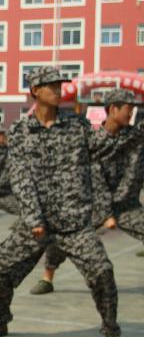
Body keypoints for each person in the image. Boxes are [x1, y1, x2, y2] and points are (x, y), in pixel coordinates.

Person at [0, 66, 132, 337]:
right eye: (51, 85)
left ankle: (112, 332)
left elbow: (100, 148)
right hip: (36, 223)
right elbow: (21, 178)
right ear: (35, 90)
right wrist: (35, 219)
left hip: (74, 222)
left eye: (60, 85)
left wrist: (113, 125)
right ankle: (0, 319)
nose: (58, 90)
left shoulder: (77, 125)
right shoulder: (20, 131)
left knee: (103, 272)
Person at [30, 88, 144, 295]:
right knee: (61, 240)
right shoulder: (92, 140)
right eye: (128, 109)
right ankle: (47, 277)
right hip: (92, 206)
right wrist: (107, 214)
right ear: (113, 109)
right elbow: (95, 179)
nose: (131, 113)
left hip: (127, 205)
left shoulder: (133, 136)